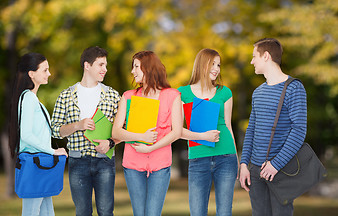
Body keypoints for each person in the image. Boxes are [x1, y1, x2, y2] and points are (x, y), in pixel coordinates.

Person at [239, 38, 307, 216]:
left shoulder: (294, 88)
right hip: (255, 170)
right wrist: (244, 163)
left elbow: (299, 130)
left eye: (255, 56)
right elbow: (251, 130)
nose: (252, 61)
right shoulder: (258, 92)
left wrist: (275, 164)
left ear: (266, 56)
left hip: (281, 170)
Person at [51, 46, 120, 216]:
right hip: (77, 162)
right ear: (87, 65)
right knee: (82, 212)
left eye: (106, 65)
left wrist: (110, 143)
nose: (105, 69)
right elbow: (55, 130)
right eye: (101, 65)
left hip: (104, 161)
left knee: (106, 212)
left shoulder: (112, 95)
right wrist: (77, 125)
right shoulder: (66, 95)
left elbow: (124, 129)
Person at [112, 50, 182, 216]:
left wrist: (151, 147)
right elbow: (116, 131)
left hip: (160, 163)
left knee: (152, 213)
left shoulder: (173, 95)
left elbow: (177, 132)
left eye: (136, 67)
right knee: (139, 213)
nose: (132, 71)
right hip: (133, 163)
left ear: (148, 68)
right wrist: (140, 137)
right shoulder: (128, 97)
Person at [178, 48, 239, 216]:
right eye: (212, 64)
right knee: (197, 212)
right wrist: (202, 136)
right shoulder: (182, 93)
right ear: (201, 64)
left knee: (225, 212)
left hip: (226, 157)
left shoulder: (225, 92)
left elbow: (228, 126)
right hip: (198, 158)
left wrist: (237, 161)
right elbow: (176, 131)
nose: (216, 68)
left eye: (218, 65)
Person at [9, 53, 68, 216]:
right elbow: (26, 135)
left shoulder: (32, 99)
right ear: (31, 74)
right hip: (35, 165)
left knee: (47, 212)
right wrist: (53, 151)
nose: (49, 73)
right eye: (45, 70)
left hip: (39, 165)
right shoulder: (28, 99)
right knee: (32, 212)